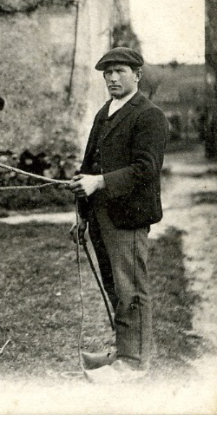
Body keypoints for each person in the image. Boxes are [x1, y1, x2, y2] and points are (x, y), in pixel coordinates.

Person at [68, 47, 169, 383]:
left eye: (119, 71)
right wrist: (82, 213)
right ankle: (122, 350)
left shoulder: (148, 115)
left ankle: (135, 363)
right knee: (114, 286)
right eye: (107, 73)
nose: (112, 78)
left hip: (128, 216)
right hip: (99, 214)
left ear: (137, 75)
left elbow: (146, 169)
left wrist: (100, 182)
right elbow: (89, 165)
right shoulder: (105, 112)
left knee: (132, 288)